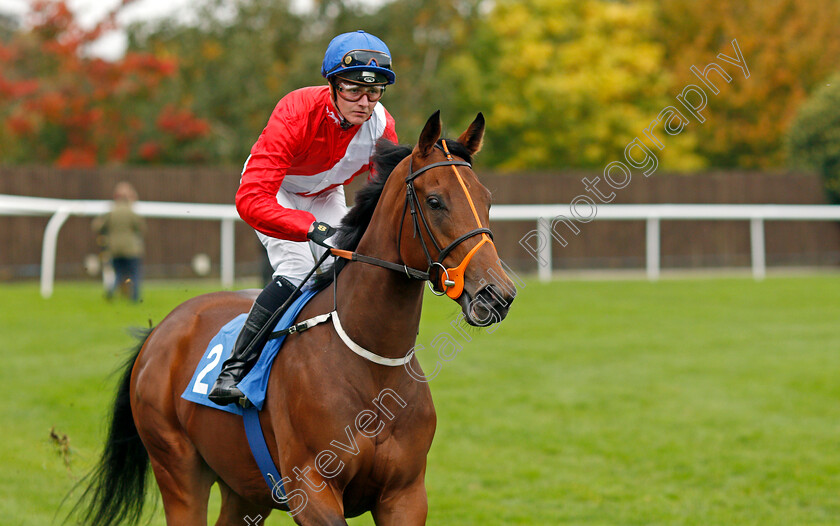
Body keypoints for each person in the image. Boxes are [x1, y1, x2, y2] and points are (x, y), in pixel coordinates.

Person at [208, 30, 398, 406]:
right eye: (354, 90)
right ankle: (235, 369)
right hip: (275, 190)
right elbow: (250, 199)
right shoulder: (296, 110)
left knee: (353, 265)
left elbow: (383, 197)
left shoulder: (381, 125)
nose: (365, 102)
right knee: (296, 270)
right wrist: (309, 227)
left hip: (326, 192)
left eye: (374, 92)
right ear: (332, 84)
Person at [92, 182, 146, 302]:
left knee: (118, 274)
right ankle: (135, 299)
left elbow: (97, 226)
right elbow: (141, 227)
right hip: (131, 249)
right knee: (134, 274)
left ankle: (110, 294)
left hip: (114, 249)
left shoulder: (111, 212)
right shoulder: (131, 212)